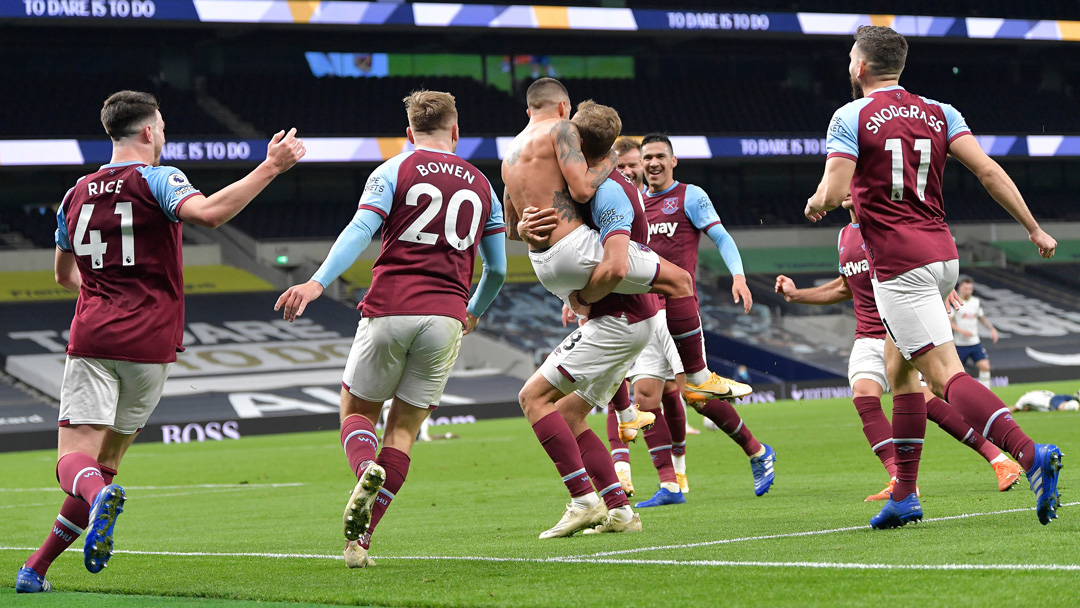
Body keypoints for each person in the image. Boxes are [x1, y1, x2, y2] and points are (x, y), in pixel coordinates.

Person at [15, 91, 305, 594]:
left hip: (95, 336)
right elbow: (210, 213)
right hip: (152, 344)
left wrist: (107, 290)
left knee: (74, 462)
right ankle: (35, 569)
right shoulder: (160, 178)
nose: (164, 133)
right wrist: (270, 167)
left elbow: (64, 276)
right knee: (103, 465)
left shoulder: (74, 194)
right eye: (163, 125)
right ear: (148, 132)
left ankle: (90, 503)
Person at [805, 25, 1062, 528]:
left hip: (899, 264)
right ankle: (904, 494)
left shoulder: (849, 115)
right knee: (900, 372)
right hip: (943, 255)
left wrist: (817, 202)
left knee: (944, 377)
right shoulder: (941, 111)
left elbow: (833, 191)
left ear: (859, 67)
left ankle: (1030, 454)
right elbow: (988, 171)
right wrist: (1033, 227)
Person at [274, 90, 506, 567]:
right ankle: (360, 544)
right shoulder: (483, 185)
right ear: (456, 131)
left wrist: (318, 283)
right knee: (402, 432)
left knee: (356, 413)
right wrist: (473, 311)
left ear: (408, 133)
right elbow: (497, 270)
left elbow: (361, 230)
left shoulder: (393, 169)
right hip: (446, 317)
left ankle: (364, 469)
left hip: (390, 308)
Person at [502, 78, 750, 404]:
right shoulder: (576, 150)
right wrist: (610, 160)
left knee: (601, 363)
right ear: (564, 109)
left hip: (542, 261)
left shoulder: (512, 153)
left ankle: (624, 413)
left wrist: (523, 231)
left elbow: (511, 226)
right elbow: (583, 195)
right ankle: (698, 378)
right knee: (677, 282)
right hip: (593, 265)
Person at [776, 199, 1022, 501]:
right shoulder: (844, 236)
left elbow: (930, 253)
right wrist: (796, 295)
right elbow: (844, 288)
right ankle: (898, 479)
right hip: (867, 334)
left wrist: (942, 285)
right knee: (864, 395)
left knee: (931, 398)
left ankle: (999, 457)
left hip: (904, 328)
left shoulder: (888, 223)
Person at [516, 101, 675, 538]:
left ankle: (583, 500)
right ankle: (621, 512)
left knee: (533, 399)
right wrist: (527, 228)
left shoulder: (604, 189)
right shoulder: (597, 185)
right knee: (568, 415)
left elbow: (616, 263)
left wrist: (581, 294)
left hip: (618, 319)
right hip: (624, 319)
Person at [632, 133, 776, 501]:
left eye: (660, 156)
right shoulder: (634, 204)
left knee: (694, 396)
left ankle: (758, 452)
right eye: (647, 157)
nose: (653, 163)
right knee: (645, 397)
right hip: (646, 313)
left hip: (678, 312)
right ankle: (669, 484)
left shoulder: (689, 196)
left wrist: (739, 275)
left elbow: (723, 238)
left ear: (673, 161)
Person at [950, 276, 998, 388]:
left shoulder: (976, 302)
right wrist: (961, 331)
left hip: (974, 342)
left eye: (970, 289)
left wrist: (992, 329)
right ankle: (953, 396)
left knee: (985, 366)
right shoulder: (954, 302)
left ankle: (987, 393)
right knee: (956, 373)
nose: (968, 291)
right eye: (966, 288)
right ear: (960, 288)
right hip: (960, 344)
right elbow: (949, 322)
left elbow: (982, 318)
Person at [1012, 391, 1080, 413]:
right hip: (1056, 397)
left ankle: (1076, 405)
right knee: (1074, 400)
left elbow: (1015, 408)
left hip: (1051, 401)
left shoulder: (1025, 398)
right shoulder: (1035, 393)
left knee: (1064, 406)